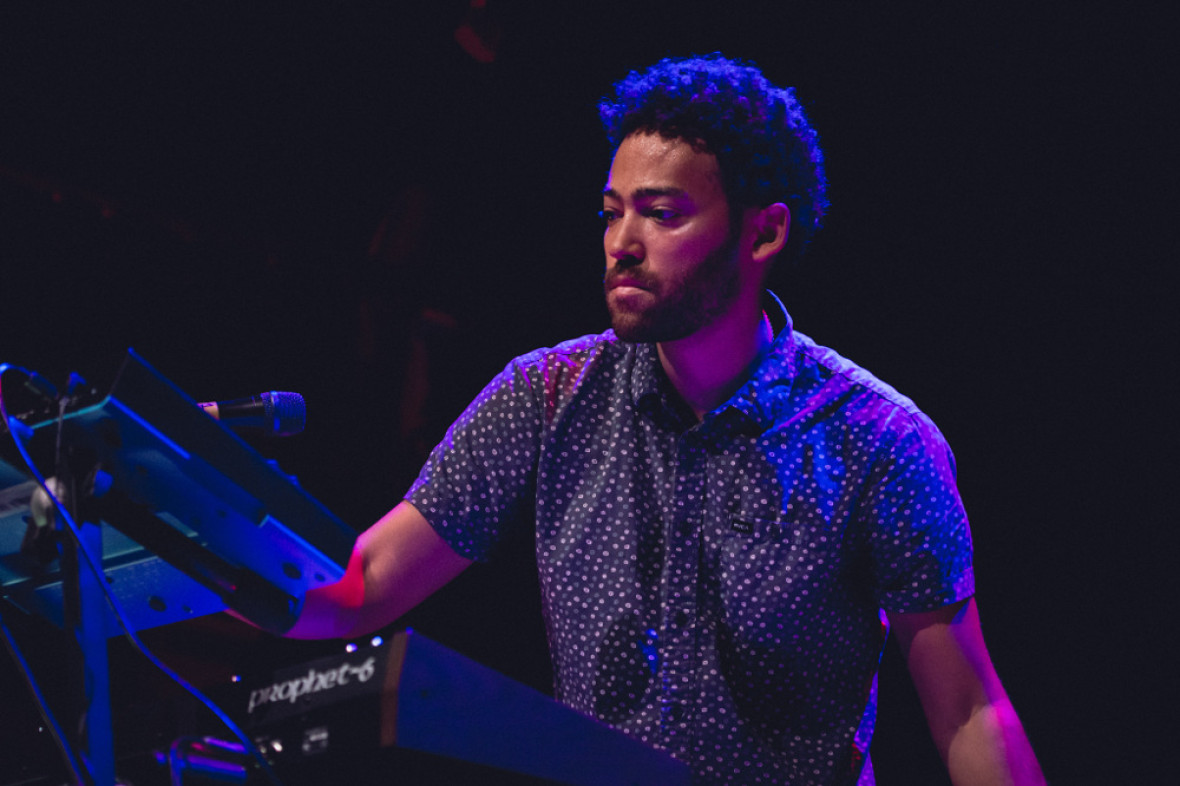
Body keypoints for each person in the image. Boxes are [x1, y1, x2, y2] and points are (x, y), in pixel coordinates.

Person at [287, 55, 1044, 785]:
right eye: (612, 213)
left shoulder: (876, 439)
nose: (622, 243)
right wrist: (184, 533)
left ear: (763, 234)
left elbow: (968, 712)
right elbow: (367, 583)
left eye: (662, 213)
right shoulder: (546, 396)